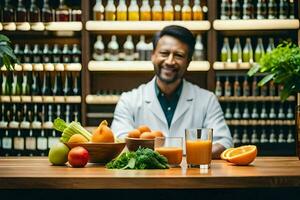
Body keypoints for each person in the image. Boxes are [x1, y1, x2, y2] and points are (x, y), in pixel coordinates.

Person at [111, 25, 233, 158]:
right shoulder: (129, 100)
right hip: (146, 177)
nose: (170, 61)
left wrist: (183, 157)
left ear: (188, 62)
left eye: (179, 55)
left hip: (192, 177)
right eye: (164, 53)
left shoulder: (207, 100)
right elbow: (118, 144)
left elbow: (224, 143)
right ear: (153, 56)